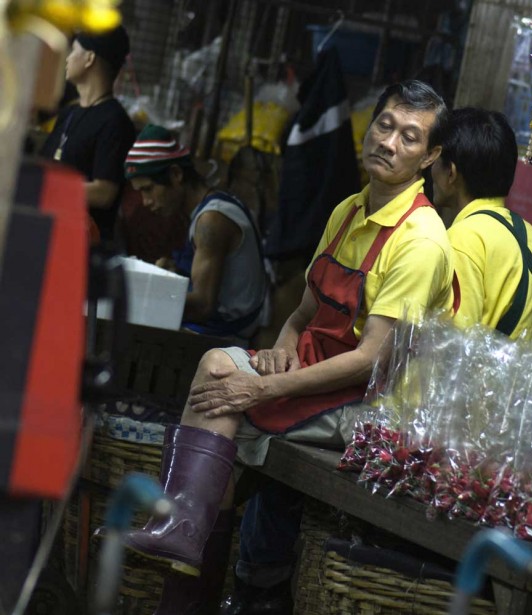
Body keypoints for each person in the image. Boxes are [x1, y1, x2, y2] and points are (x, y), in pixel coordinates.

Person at [119, 80, 455, 615]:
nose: (389, 142)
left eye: (410, 137)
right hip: (318, 377)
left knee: (224, 398)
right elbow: (301, 315)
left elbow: (371, 358)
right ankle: (183, 533)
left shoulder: (421, 241)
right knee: (216, 366)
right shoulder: (348, 211)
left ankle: (185, 547)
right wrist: (281, 348)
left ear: (431, 156)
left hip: (373, 409)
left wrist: (266, 384)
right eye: (385, 126)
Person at [124, 125, 268, 344]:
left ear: (175, 174)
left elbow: (202, 306)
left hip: (225, 338)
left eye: (149, 189)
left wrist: (141, 296)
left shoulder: (211, 220)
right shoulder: (212, 207)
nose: (146, 202)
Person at [430, 107, 532, 341]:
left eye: (436, 159)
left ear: (451, 173)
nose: (430, 169)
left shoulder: (465, 238)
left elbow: (451, 350)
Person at [41, 26, 135, 242]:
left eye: (74, 50)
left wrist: (48, 188)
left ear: (89, 58)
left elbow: (104, 192)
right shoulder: (69, 113)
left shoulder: (114, 122)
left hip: (82, 244)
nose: (67, 58)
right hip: (48, 231)